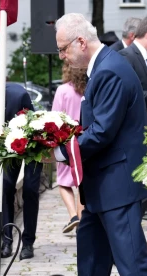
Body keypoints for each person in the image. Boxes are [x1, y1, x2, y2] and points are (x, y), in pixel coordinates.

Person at [47, 13, 147, 276]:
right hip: (103, 182)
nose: (62, 57)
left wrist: (57, 149)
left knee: (131, 260)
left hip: (119, 183)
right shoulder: (104, 66)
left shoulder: (111, 69)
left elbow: (102, 132)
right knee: (91, 252)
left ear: (80, 43)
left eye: (62, 49)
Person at [0, 83, 40, 261]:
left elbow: (34, 128)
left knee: (30, 190)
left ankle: (28, 242)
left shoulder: (18, 96)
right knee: (5, 188)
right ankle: (7, 240)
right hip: (8, 151)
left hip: (32, 147)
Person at [52, 63, 86, 234]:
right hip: (85, 140)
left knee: (63, 181)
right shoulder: (90, 89)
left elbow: (55, 117)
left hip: (66, 140)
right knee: (81, 182)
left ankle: (73, 215)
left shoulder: (63, 90)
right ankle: (81, 217)